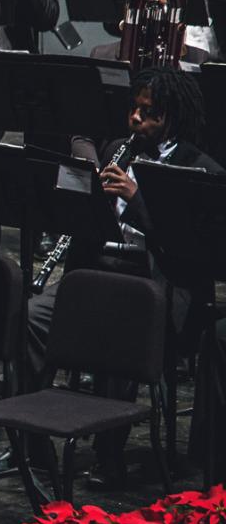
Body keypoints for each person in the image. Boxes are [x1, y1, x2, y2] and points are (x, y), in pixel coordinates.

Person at [21, 68, 224, 481]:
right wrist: (85, 204)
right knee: (29, 318)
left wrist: (136, 200)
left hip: (158, 285)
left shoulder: (200, 172)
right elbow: (87, 227)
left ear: (172, 117)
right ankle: (30, 444)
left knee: (117, 322)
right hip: (97, 274)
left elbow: (192, 251)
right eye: (134, 108)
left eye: (147, 113)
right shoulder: (119, 150)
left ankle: (108, 452)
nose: (134, 119)